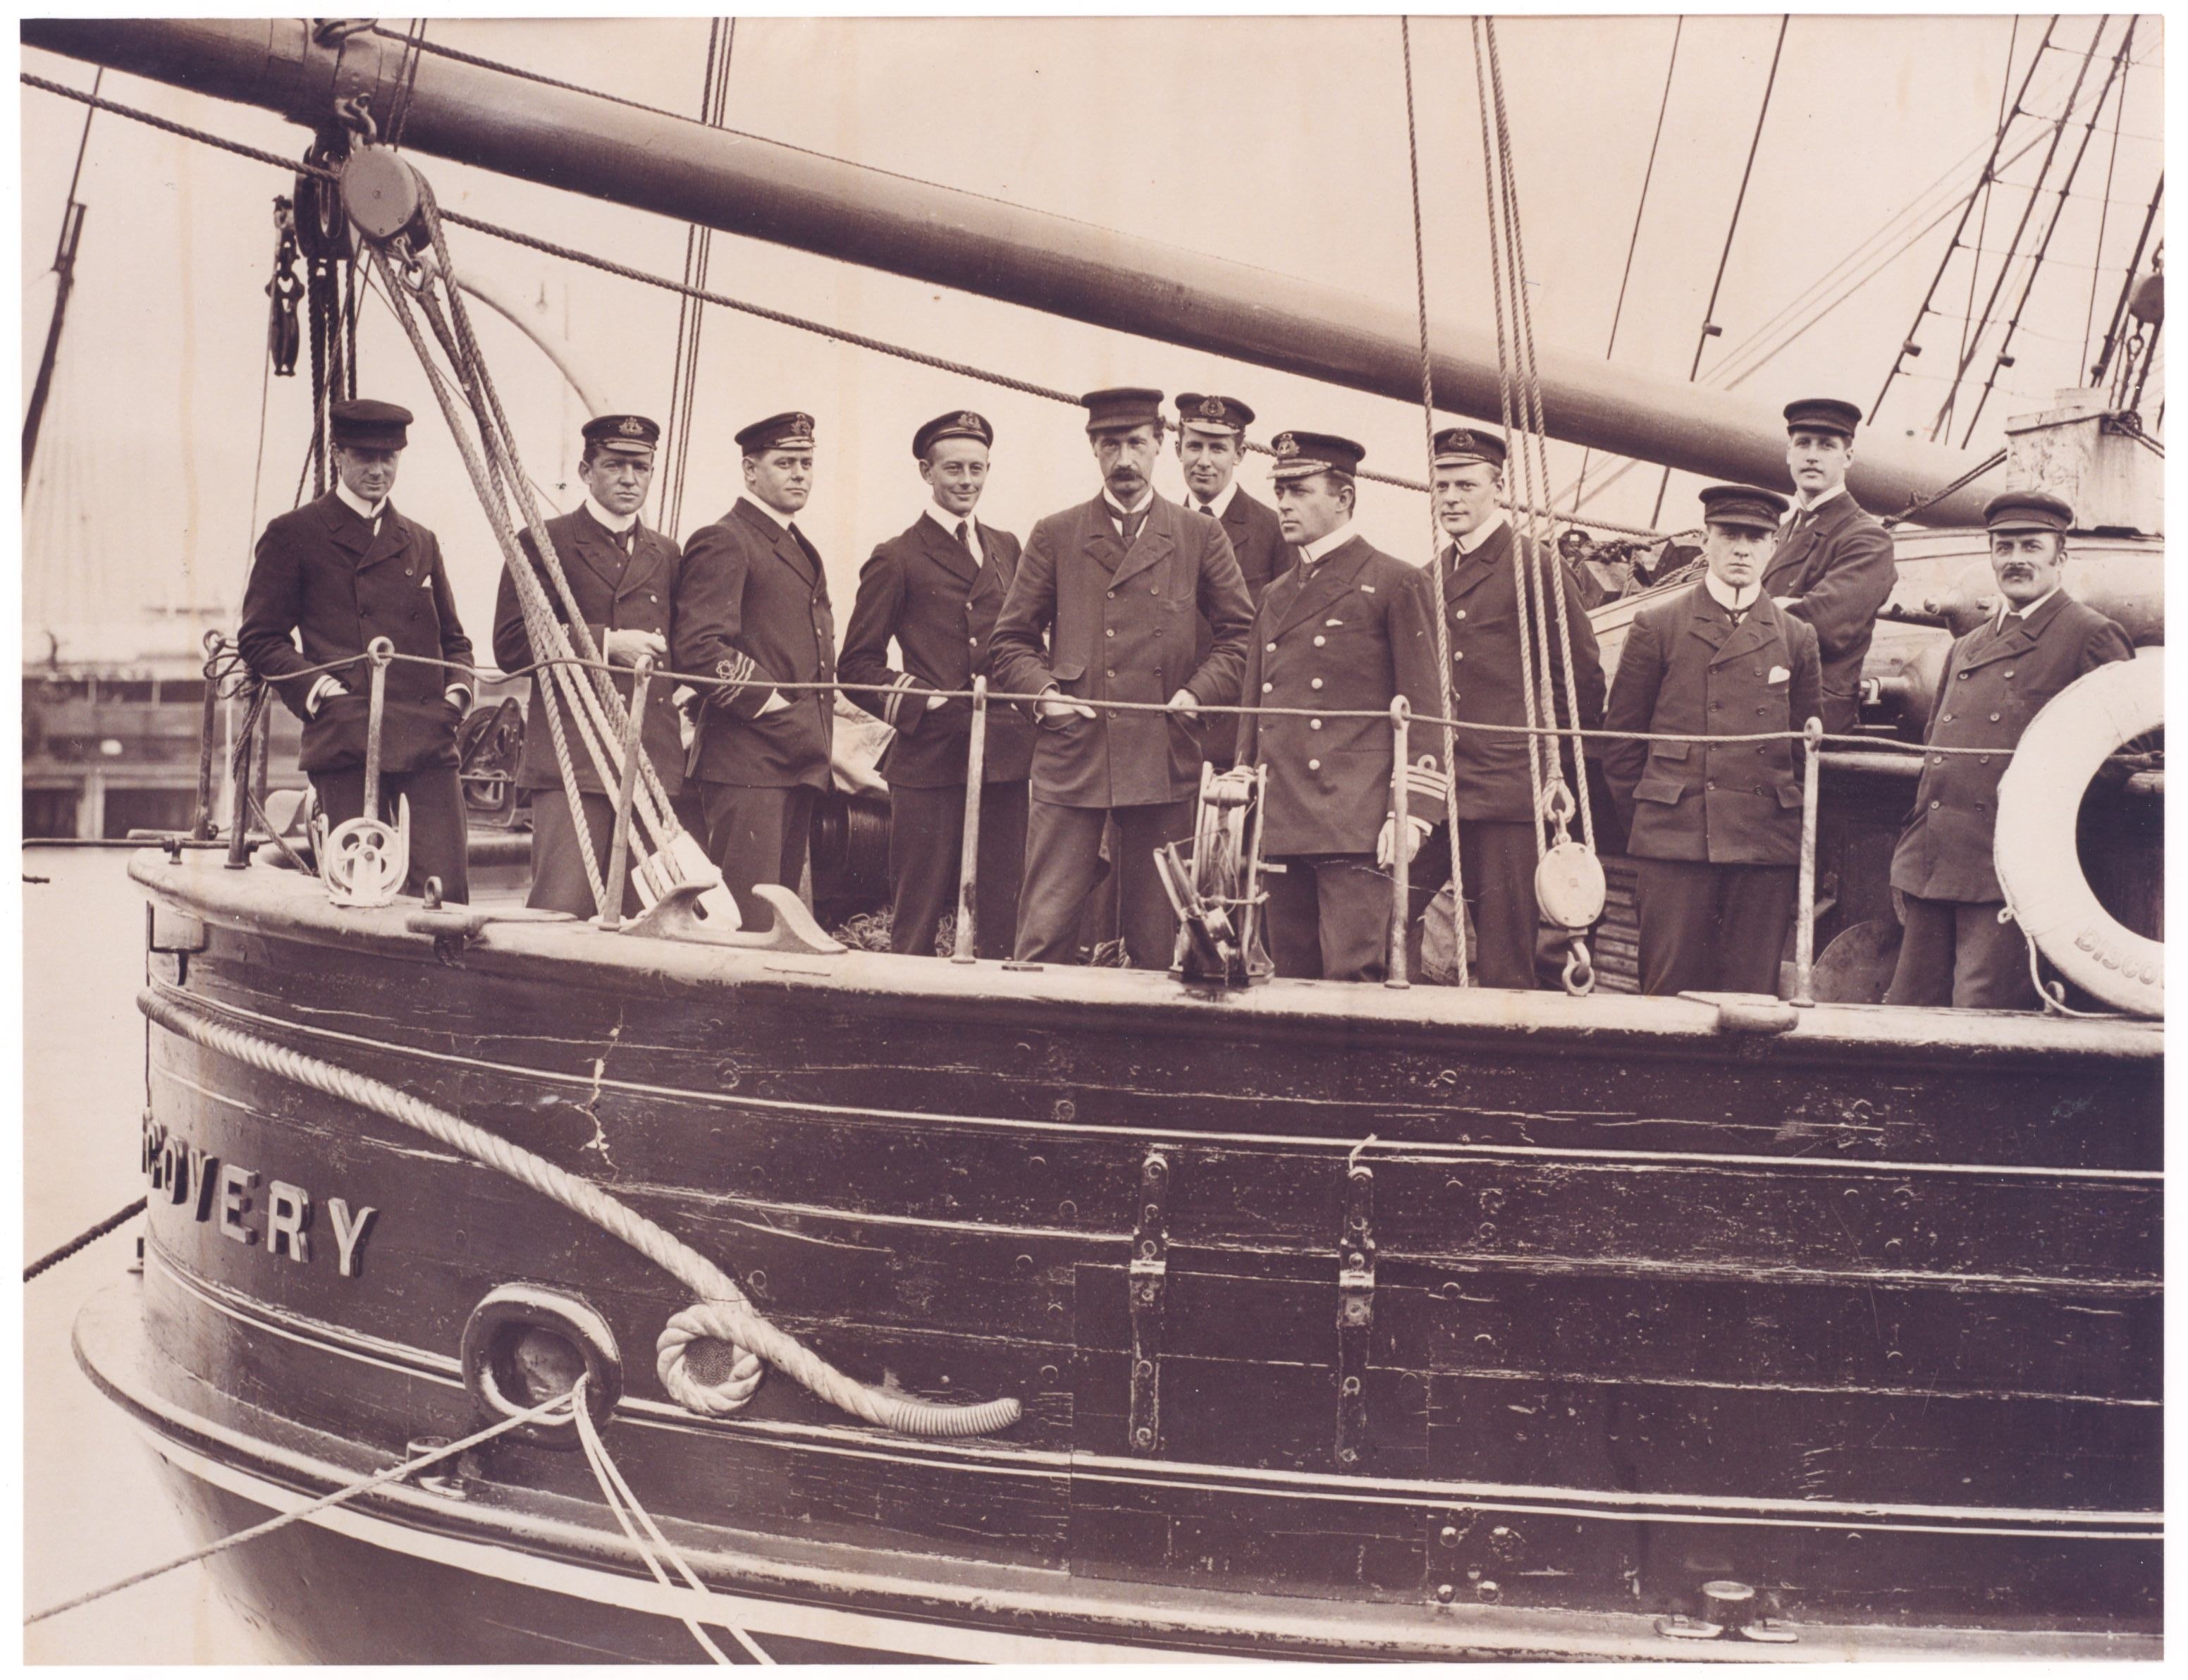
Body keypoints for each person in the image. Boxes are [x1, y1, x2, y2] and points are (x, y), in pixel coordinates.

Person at [988, 387, 1255, 968]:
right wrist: (1045, 698)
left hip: (1162, 755)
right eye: (1111, 444)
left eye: (1137, 443)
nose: (1125, 460)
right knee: (1045, 929)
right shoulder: (1056, 533)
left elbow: (1242, 638)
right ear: (1093, 448)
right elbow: (1010, 641)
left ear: (1161, 444)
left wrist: (1196, 693)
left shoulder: (1198, 535)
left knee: (1160, 940)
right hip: (1073, 753)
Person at [1884, 489, 2134, 1010]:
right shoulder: (1966, 646)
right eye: (2004, 546)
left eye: (2031, 545)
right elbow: (1936, 750)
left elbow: (2124, 758)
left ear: (2059, 556)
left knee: (1982, 1014)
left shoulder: (2089, 635)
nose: (2016, 558)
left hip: (2012, 871)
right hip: (1935, 861)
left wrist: (2035, 813)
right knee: (1909, 1011)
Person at [238, 398, 474, 902]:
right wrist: (322, 691)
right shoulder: (294, 534)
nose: (379, 469)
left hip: (427, 735)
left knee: (447, 890)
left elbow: (454, 639)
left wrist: (457, 696)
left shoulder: (420, 540)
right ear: (339, 455)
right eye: (366, 456)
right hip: (347, 733)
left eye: (389, 458)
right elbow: (260, 638)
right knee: (357, 889)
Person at [1236, 431, 1446, 982]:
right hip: (1284, 817)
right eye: (1280, 489)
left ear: (1343, 497)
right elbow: (1257, 706)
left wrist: (1412, 813)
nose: (1283, 502)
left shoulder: (1395, 582)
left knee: (1355, 982)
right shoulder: (1275, 593)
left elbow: (1424, 709)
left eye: (1299, 490)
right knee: (1289, 978)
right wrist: (1243, 783)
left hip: (1355, 824)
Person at [1602, 484, 1822, 997]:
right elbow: (1621, 743)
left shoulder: (1795, 637)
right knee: (1668, 994)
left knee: (1749, 998)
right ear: (1706, 541)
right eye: (1729, 535)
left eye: (1756, 536)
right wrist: (1656, 821)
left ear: (1773, 546)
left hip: (1762, 847)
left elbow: (1802, 753)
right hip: (1675, 843)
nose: (1742, 548)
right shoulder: (1658, 625)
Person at [1412, 427, 1605, 989]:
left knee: (1506, 954)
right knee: (1388, 916)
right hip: (1439, 786)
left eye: (1466, 484)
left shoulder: (1534, 566)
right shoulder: (1429, 576)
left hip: (1508, 793)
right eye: (1442, 485)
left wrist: (1558, 773)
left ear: (1498, 487)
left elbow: (1580, 676)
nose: (1451, 497)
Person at [838, 409, 1035, 958]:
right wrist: (923, 699)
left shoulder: (1007, 547)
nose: (967, 480)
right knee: (918, 903)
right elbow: (855, 667)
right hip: (929, 754)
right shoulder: (896, 557)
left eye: (977, 468)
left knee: (1005, 902)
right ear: (926, 472)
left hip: (1004, 756)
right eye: (953, 469)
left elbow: (1025, 640)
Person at [491, 413, 687, 918]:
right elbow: (512, 645)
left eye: (640, 467)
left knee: (650, 919)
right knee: (563, 908)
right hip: (574, 761)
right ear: (586, 470)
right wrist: (606, 643)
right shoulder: (543, 541)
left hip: (650, 761)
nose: (629, 478)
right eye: (615, 465)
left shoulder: (666, 553)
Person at [672, 411, 835, 929]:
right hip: (747, 762)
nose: (799, 474)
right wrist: (774, 704)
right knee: (745, 921)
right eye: (784, 462)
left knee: (777, 924)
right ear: (749, 471)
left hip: (793, 756)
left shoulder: (796, 544)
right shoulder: (726, 539)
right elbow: (699, 648)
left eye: (806, 463)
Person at [1763, 397, 1897, 735]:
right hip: (1759, 701)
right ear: (1788, 453)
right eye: (1803, 443)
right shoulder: (1779, 533)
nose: (1812, 455)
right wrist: (1782, 606)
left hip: (1808, 716)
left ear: (1848, 457)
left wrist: (1754, 608)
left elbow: (1824, 626)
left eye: (1826, 445)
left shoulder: (1867, 538)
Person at [1174, 393, 1291, 608]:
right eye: (1195, 447)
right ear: (1178, 450)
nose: (1204, 462)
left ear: (1239, 454)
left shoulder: (1274, 530)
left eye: (1218, 449)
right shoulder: (1164, 526)